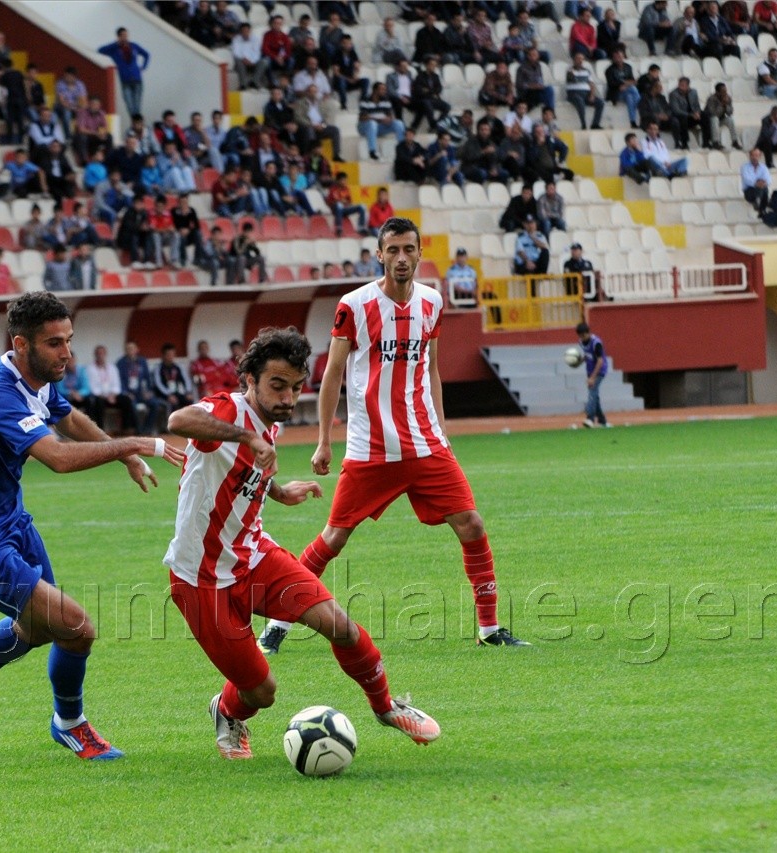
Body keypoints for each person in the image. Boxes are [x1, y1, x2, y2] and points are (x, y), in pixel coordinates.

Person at [256, 218, 529, 655]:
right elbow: (333, 375)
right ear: (379, 255)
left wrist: (442, 427)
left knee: (471, 524)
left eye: (409, 249)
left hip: (425, 443)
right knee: (333, 538)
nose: (402, 258)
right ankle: (277, 623)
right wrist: (324, 440)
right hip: (371, 449)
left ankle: (490, 628)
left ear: (420, 253)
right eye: (393, 250)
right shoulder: (355, 305)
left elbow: (432, 368)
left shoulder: (432, 303)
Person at [167, 327, 441, 758]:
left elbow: (243, 472)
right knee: (261, 691)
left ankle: (387, 707)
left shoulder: (267, 424)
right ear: (249, 380)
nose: (288, 399)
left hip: (255, 556)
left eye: (296, 388)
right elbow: (177, 421)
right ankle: (227, 709)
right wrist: (249, 438)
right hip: (199, 579)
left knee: (340, 626)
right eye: (277, 386)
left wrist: (278, 491)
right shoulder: (228, 412)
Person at [0, 292, 183, 760]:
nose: (67, 352)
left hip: (9, 522)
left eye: (69, 340)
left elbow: (67, 418)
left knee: (42, 629)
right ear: (20, 344)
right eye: (54, 343)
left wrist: (122, 454)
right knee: (77, 627)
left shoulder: (37, 377)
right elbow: (59, 459)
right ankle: (70, 723)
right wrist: (137, 443)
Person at [98, 28, 149, 119]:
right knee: (130, 106)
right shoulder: (114, 49)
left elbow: (146, 54)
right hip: (125, 81)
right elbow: (100, 50)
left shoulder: (133, 46)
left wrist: (144, 66)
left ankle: (137, 124)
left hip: (137, 79)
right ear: (118, 36)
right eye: (123, 35)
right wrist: (116, 44)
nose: (125, 37)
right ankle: (136, 124)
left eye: (126, 35)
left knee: (137, 106)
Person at [119, 341, 167, 435]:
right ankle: (139, 430)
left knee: (155, 404)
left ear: (137, 350)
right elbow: (120, 381)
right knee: (131, 405)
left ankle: (147, 429)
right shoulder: (121, 363)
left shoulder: (142, 361)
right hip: (129, 393)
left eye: (132, 348)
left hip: (141, 392)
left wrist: (148, 391)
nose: (130, 351)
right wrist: (126, 393)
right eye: (128, 349)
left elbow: (147, 378)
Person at [575, 321, 609, 428]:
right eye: (580, 335)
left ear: (588, 333)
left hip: (599, 370)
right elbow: (587, 355)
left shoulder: (596, 343)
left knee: (592, 391)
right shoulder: (581, 342)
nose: (582, 337)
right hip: (590, 370)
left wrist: (592, 378)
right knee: (595, 395)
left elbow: (600, 361)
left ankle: (590, 418)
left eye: (584, 335)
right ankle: (602, 420)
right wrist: (579, 362)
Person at [153, 343, 193, 414]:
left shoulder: (178, 367)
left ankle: (188, 423)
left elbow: (186, 380)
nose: (171, 357)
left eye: (173, 354)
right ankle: (173, 424)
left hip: (176, 393)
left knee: (189, 401)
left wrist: (188, 392)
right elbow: (158, 384)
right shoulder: (158, 368)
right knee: (173, 403)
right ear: (163, 355)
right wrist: (168, 395)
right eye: (168, 354)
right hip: (163, 395)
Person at [740, 147, 771, 211]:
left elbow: (768, 180)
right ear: (750, 156)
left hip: (761, 189)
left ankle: (759, 203)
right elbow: (746, 180)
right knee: (761, 187)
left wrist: (762, 183)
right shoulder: (744, 167)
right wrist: (756, 183)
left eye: (756, 155)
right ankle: (759, 203)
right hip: (749, 191)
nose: (754, 157)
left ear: (759, 156)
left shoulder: (764, 167)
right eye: (753, 155)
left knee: (764, 188)